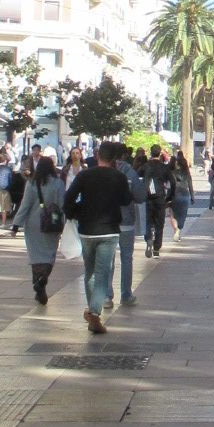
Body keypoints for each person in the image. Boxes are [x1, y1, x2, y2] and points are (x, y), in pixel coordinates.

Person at [64, 140, 132, 335]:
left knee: (90, 272)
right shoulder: (119, 177)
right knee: (103, 272)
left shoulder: (85, 175)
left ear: (98, 156)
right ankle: (94, 312)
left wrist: (76, 212)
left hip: (87, 229)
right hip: (109, 229)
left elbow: (68, 198)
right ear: (114, 159)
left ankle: (93, 310)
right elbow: (126, 200)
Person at [9, 153, 65, 307]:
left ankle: (37, 280)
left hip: (34, 223)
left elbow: (25, 205)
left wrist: (16, 225)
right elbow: (62, 205)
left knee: (35, 255)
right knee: (50, 253)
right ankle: (43, 278)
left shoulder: (32, 183)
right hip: (52, 222)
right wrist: (65, 223)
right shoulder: (59, 184)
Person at [115, 143, 144, 307]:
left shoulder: (104, 171)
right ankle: (126, 294)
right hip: (126, 221)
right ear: (125, 155)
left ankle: (107, 296)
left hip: (107, 221)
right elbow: (140, 197)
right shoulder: (131, 173)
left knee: (108, 259)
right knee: (126, 258)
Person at [144, 143, 174, 257]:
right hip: (160, 198)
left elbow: (137, 176)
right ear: (160, 153)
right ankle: (156, 248)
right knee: (159, 223)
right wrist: (170, 196)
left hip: (148, 197)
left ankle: (148, 238)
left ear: (151, 153)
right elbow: (173, 182)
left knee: (148, 221)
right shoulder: (164, 167)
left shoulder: (146, 166)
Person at [170, 149, 193, 239]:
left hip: (175, 194)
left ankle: (176, 229)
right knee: (182, 214)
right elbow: (190, 186)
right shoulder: (187, 174)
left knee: (173, 214)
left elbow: (169, 185)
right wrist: (192, 197)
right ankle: (179, 228)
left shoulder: (172, 173)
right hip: (185, 194)